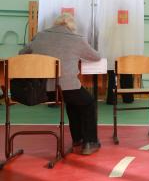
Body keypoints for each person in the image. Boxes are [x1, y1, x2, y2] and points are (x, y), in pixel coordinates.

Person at [20, 13, 102, 155]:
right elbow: (96, 56)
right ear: (72, 27)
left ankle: (78, 139)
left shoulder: (40, 36)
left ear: (55, 24)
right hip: (67, 88)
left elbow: (22, 53)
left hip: (42, 90)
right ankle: (90, 142)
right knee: (87, 102)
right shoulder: (76, 39)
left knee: (73, 102)